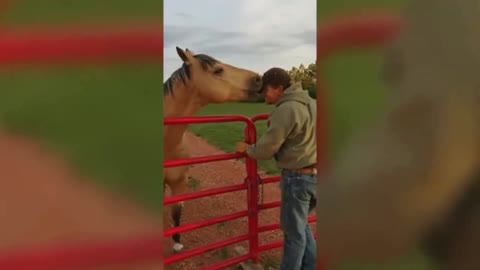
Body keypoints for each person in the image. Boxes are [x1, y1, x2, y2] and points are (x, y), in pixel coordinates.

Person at [235, 67, 317, 270]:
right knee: (301, 226)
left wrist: (248, 149)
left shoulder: (287, 109)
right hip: (316, 176)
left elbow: (267, 148)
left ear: (279, 88)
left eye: (266, 90)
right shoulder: (312, 104)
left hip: (297, 178)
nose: (264, 95)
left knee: (293, 235)